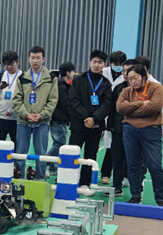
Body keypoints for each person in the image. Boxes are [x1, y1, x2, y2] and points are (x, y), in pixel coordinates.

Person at [117, 63, 163, 206]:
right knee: (133, 165)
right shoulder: (126, 91)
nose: (132, 81)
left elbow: (155, 107)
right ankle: (135, 195)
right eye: (130, 79)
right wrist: (141, 103)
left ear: (144, 76)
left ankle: (161, 199)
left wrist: (131, 109)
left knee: (155, 165)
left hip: (151, 130)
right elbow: (120, 108)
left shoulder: (156, 88)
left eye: (135, 78)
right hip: (130, 131)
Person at [12, 46, 57, 180]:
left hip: (42, 122)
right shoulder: (22, 78)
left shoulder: (51, 78)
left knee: (41, 153)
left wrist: (42, 115)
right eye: (33, 58)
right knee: (21, 152)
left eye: (38, 58)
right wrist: (26, 114)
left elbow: (53, 100)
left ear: (43, 59)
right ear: (28, 59)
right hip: (23, 121)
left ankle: (40, 178)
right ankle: (19, 179)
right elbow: (16, 100)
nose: (35, 61)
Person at [69, 50, 112, 187]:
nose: (96, 65)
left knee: (91, 154)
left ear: (104, 65)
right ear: (89, 62)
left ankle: (85, 182)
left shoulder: (106, 84)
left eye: (100, 62)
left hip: (95, 126)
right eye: (94, 62)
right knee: (72, 152)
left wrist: (94, 118)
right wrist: (86, 117)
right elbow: (73, 100)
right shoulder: (78, 79)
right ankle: (68, 179)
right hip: (78, 124)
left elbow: (107, 105)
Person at [100, 51, 128, 185]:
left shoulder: (126, 77)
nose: (118, 67)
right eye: (116, 64)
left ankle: (107, 173)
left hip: (116, 115)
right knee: (97, 145)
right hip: (100, 112)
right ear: (110, 63)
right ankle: (99, 172)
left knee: (113, 146)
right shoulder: (103, 72)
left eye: (121, 64)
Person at [108, 60, 134, 195]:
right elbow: (112, 108)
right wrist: (110, 126)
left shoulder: (143, 89)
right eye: (123, 71)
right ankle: (117, 186)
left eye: (127, 71)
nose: (124, 74)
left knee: (134, 159)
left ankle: (136, 188)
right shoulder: (118, 88)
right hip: (119, 129)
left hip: (135, 131)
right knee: (117, 158)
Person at [0, 51, 21, 143]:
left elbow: (24, 98)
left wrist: (12, 110)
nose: (9, 67)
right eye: (6, 64)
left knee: (17, 147)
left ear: (17, 62)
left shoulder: (23, 77)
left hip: (16, 119)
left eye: (11, 64)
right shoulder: (0, 76)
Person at [48, 61, 74, 170]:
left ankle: (53, 167)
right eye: (72, 71)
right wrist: (71, 116)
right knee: (59, 143)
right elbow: (64, 104)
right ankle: (44, 162)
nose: (74, 73)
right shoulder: (62, 86)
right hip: (59, 119)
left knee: (58, 142)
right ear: (68, 72)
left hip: (58, 118)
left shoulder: (59, 84)